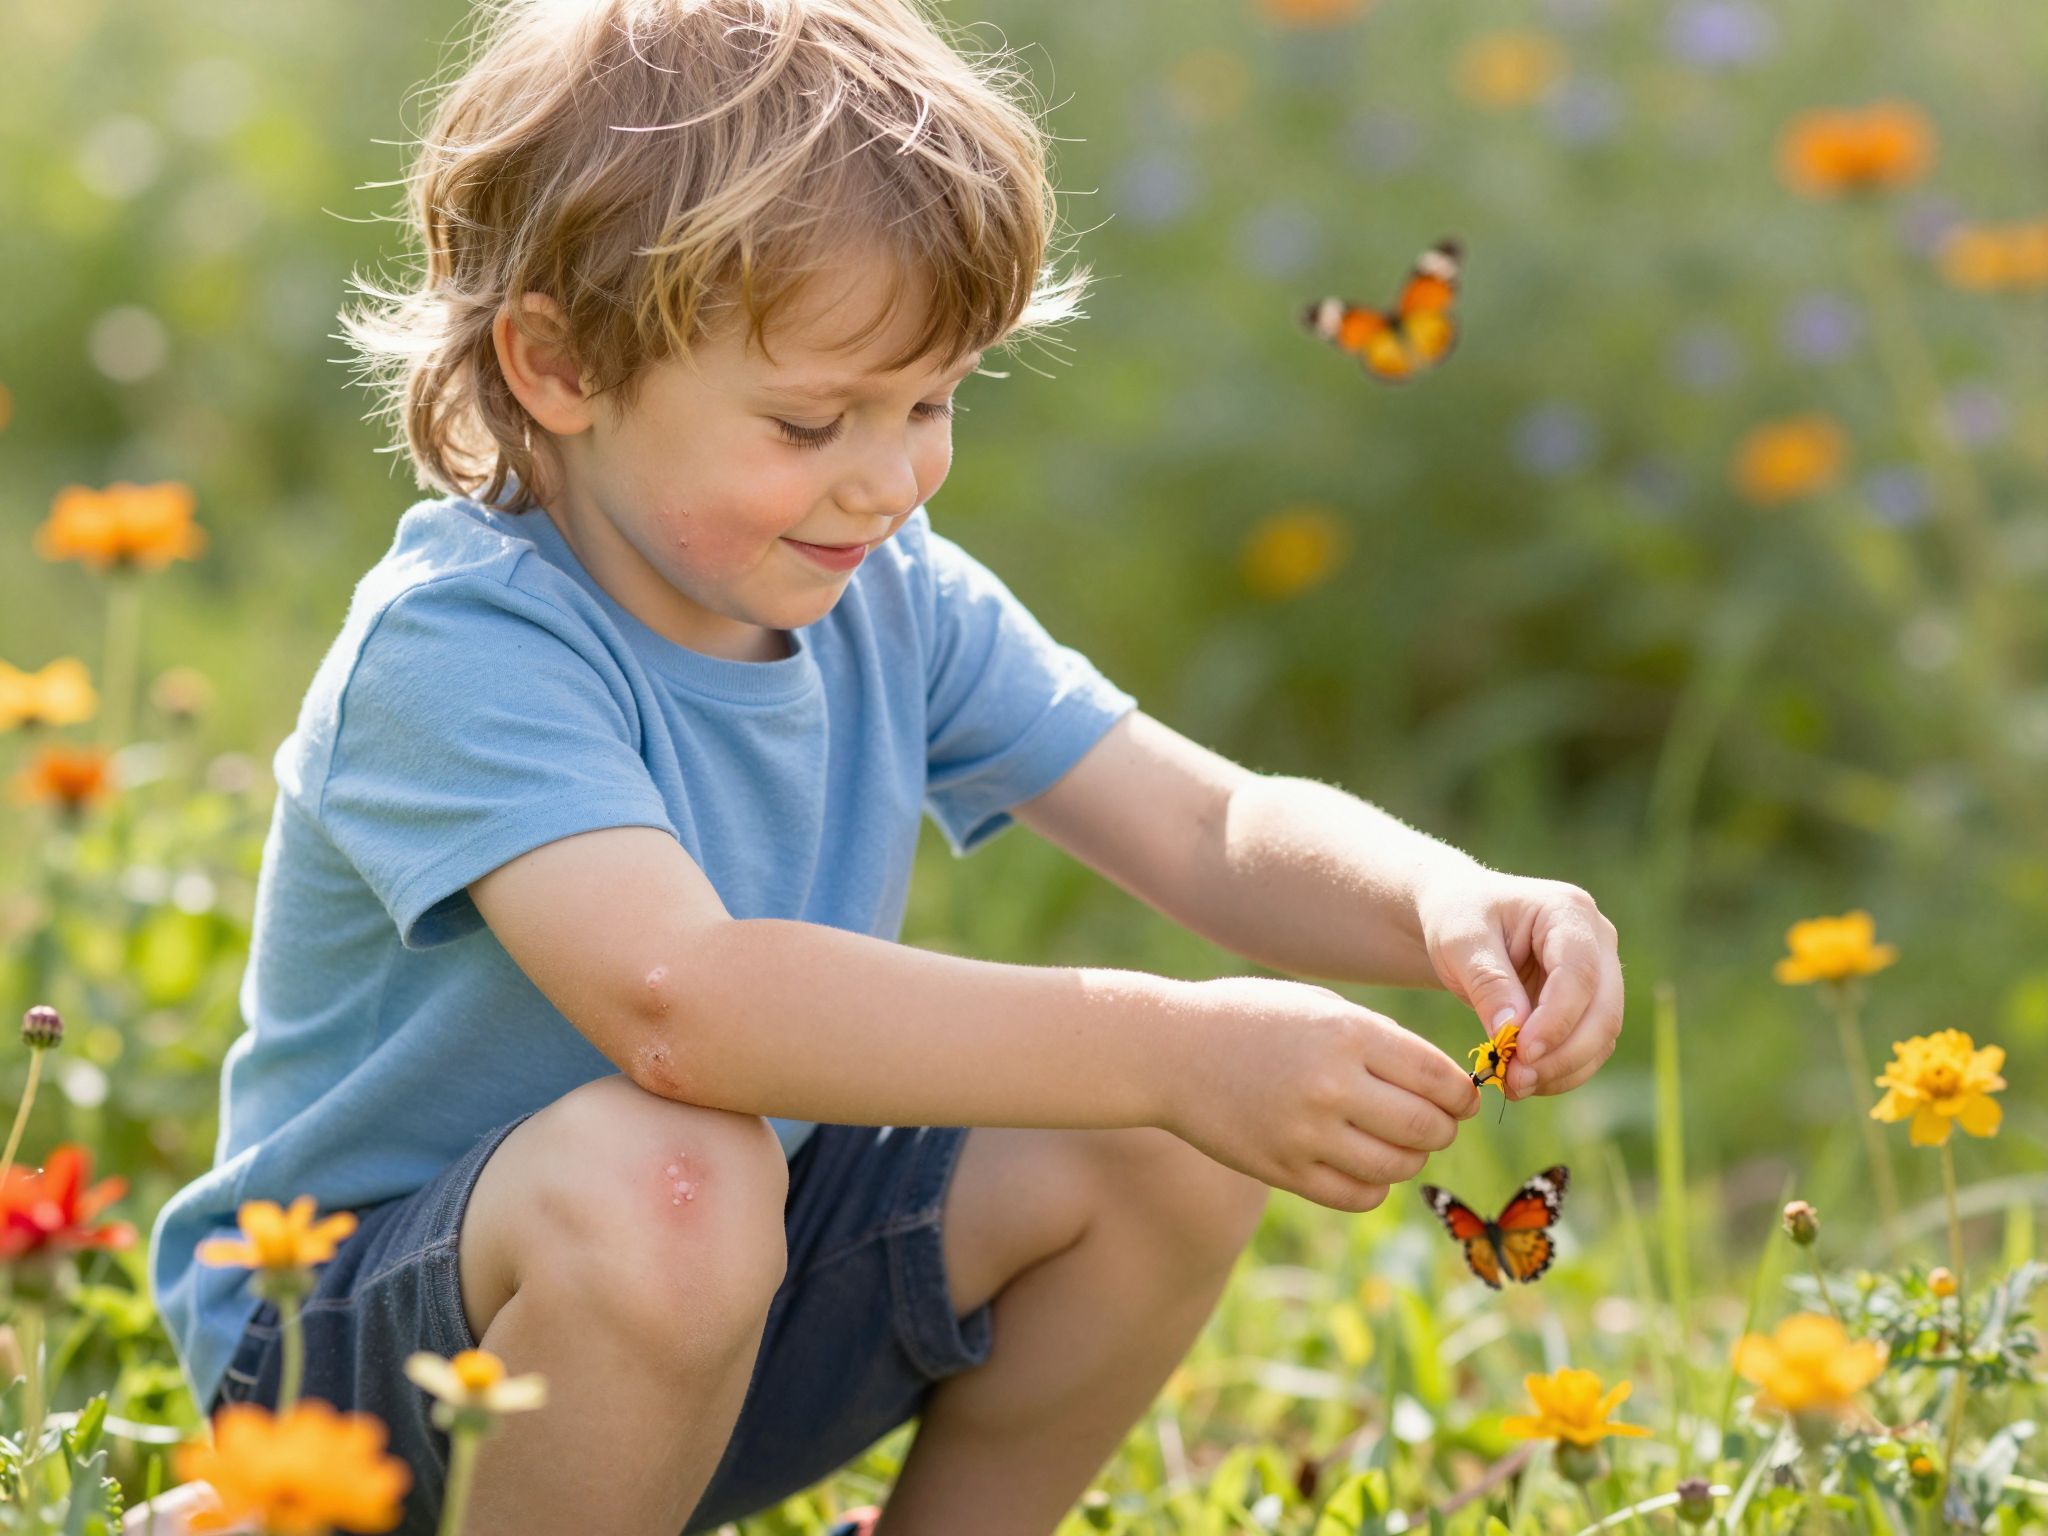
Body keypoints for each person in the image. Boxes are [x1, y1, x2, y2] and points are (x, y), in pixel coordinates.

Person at [145, 1, 1626, 1532]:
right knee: (677, 1172)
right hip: (350, 1364)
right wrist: (1177, 1044)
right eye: (808, 419)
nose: (888, 475)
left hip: (721, 1282)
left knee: (1147, 1149)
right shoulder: (462, 647)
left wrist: (1446, 899)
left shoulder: (882, 584)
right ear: (557, 364)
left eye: (931, 402)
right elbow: (682, 1010)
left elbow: (1204, 825)